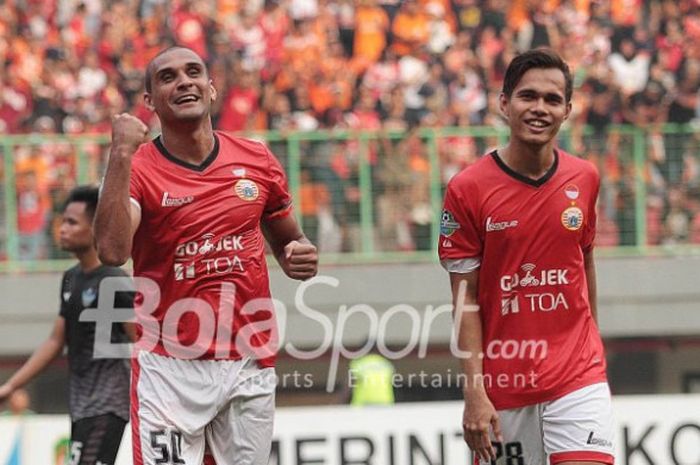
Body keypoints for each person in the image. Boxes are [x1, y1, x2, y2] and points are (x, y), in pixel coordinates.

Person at [94, 46, 318, 465]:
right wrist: (120, 154)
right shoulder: (139, 167)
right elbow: (111, 250)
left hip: (249, 360)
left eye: (193, 72)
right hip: (169, 366)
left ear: (211, 89)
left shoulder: (257, 160)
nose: (183, 81)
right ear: (150, 102)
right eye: (167, 77)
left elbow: (290, 241)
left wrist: (298, 256)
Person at [439, 49, 614, 465]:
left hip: (577, 378)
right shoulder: (467, 189)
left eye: (552, 100)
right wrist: (474, 392)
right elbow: (465, 302)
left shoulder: (585, 177)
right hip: (505, 386)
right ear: (504, 103)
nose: (539, 108)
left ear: (568, 110)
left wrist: (591, 346)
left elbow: (583, 261)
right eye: (527, 96)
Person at [0, 185, 132, 465]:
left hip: (108, 404)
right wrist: (11, 386)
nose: (62, 228)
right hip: (82, 403)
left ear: (96, 228)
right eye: (63, 221)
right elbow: (55, 341)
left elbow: (140, 341)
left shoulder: (113, 280)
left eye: (72, 222)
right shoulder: (72, 278)